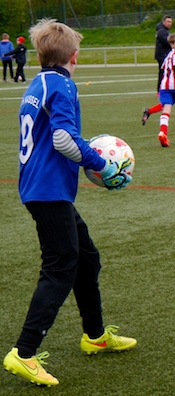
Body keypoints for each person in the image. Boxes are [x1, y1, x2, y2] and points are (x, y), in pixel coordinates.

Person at [4, 19, 136, 388]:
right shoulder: (63, 84)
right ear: (74, 56)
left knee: (86, 257)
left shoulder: (37, 83)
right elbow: (63, 138)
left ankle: (95, 335)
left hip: (43, 188)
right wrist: (102, 164)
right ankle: (24, 352)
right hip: (48, 190)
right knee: (60, 265)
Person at [154, 15, 173, 90]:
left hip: (164, 55)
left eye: (171, 22)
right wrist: (174, 43)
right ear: (163, 22)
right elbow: (166, 42)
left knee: (165, 72)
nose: (170, 23)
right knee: (163, 73)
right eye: (168, 22)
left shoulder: (164, 30)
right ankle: (161, 89)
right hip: (163, 55)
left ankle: (163, 88)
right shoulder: (162, 31)